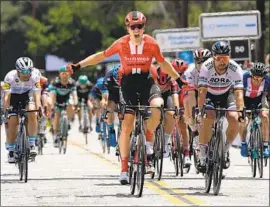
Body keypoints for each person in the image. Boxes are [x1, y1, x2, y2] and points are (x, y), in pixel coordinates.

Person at [67, 11, 187, 185]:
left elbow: (163, 63)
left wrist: (179, 80)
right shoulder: (121, 43)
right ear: (128, 28)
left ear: (144, 27)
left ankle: (147, 138)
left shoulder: (152, 44)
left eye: (140, 26)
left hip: (147, 81)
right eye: (133, 27)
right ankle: (123, 168)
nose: (137, 30)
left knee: (158, 106)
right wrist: (79, 65)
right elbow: (101, 55)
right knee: (127, 125)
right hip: (128, 83)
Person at [197, 41, 245, 172]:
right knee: (208, 117)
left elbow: (239, 93)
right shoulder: (206, 67)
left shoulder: (235, 69)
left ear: (229, 57)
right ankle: (202, 155)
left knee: (234, 119)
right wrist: (200, 111)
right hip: (209, 95)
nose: (222, 61)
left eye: (225, 58)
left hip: (226, 94)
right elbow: (201, 92)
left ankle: (225, 149)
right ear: (213, 57)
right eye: (219, 58)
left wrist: (241, 111)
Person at [2, 57, 42, 163]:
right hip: (13, 97)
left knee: (32, 112)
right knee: (13, 121)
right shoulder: (10, 77)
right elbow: (6, 97)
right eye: (23, 71)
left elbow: (37, 94)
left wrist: (39, 108)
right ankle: (11, 149)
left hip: (26, 95)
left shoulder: (35, 75)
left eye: (28, 71)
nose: (26, 74)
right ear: (17, 71)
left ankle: (32, 144)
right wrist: (6, 111)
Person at [239, 62, 269, 157]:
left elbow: (266, 97)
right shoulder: (245, 78)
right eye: (255, 78)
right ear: (251, 75)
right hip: (245, 100)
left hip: (259, 100)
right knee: (245, 121)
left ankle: (265, 146)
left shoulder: (267, 80)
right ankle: (243, 143)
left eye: (260, 79)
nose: (257, 80)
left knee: (265, 117)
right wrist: (241, 107)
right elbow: (238, 94)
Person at [50, 67, 78, 147]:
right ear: (60, 74)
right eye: (63, 73)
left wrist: (76, 104)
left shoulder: (72, 82)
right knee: (57, 115)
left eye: (66, 73)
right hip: (57, 99)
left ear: (69, 74)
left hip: (66, 99)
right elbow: (52, 95)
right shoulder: (55, 82)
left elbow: (74, 95)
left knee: (71, 105)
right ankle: (55, 134)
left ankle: (68, 121)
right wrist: (53, 106)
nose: (65, 75)